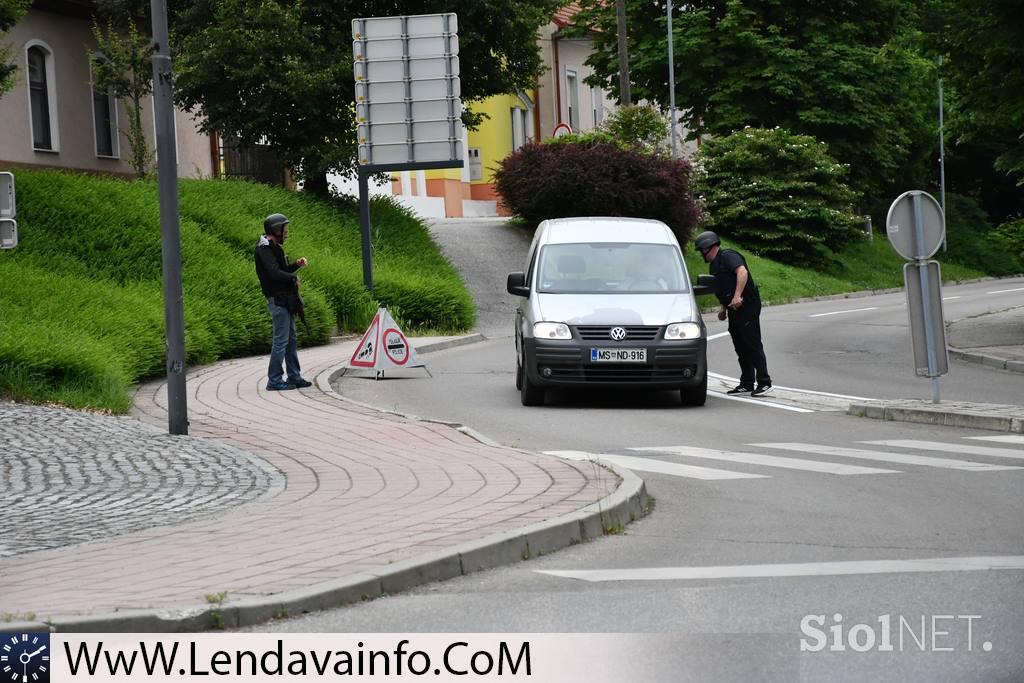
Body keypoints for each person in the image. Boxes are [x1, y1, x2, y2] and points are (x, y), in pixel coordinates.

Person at [694, 231, 773, 396]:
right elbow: (723, 287)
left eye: (701, 250)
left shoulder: (728, 256)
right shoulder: (714, 265)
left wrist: (737, 296)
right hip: (733, 308)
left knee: (752, 342)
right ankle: (747, 383)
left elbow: (742, 272)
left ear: (708, 247)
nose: (701, 253)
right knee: (740, 345)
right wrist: (723, 308)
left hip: (747, 305)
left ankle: (765, 382)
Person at [255, 213, 312, 391]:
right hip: (278, 301)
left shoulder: (274, 247)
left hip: (285, 301)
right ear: (275, 230)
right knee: (281, 341)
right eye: (284, 229)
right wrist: (292, 279)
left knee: (291, 340)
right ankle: (274, 380)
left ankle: (294, 376)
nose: (287, 233)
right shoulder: (264, 249)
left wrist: (296, 265)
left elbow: (283, 270)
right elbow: (274, 273)